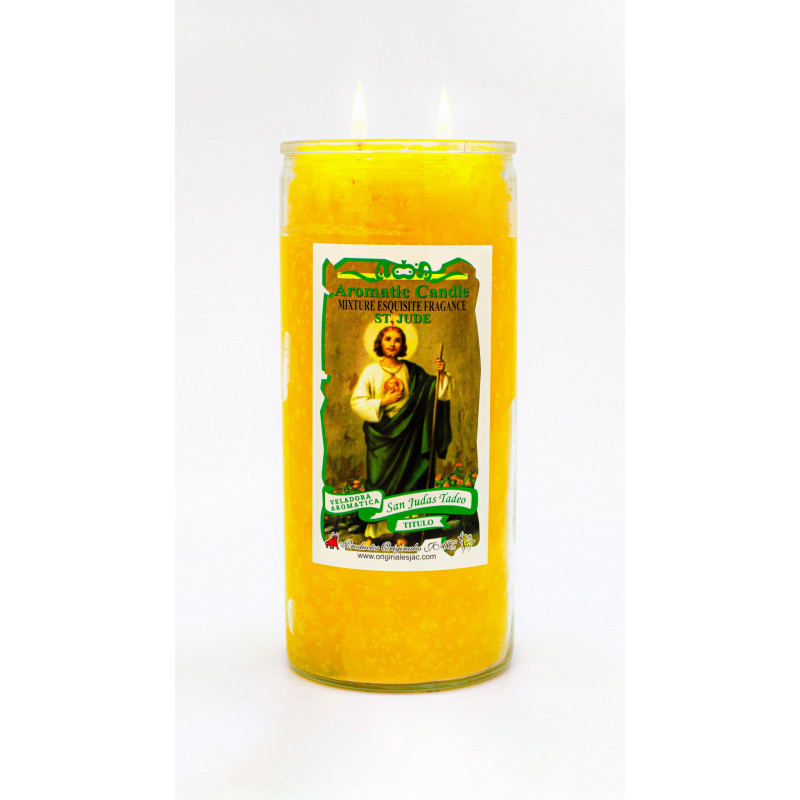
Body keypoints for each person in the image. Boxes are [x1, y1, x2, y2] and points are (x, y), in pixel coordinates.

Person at [350, 325, 453, 542]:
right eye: (388, 339)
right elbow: (357, 402)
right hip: (381, 437)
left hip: (409, 435)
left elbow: (435, 391)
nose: (392, 344)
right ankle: (375, 532)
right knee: (379, 483)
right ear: (380, 342)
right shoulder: (371, 371)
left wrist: (441, 373)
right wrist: (382, 402)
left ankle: (402, 532)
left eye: (397, 340)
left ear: (403, 345)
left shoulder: (412, 371)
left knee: (407, 482)